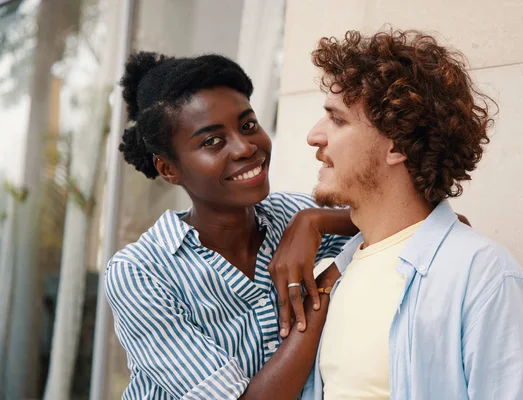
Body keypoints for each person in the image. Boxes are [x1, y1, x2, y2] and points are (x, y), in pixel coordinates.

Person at [302, 29, 523, 399]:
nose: (314, 136)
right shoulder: (334, 271)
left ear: (396, 145)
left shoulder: (483, 276)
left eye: (337, 120)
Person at [105, 51, 357, 399]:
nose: (245, 148)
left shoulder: (292, 214)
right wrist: (324, 291)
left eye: (248, 125)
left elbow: (418, 222)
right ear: (168, 169)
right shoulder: (141, 273)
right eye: (212, 141)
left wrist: (314, 221)